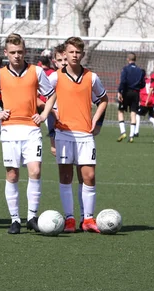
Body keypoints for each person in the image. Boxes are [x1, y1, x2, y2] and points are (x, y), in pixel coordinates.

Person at [0, 33, 56, 234]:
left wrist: (45, 114)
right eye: (12, 52)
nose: (17, 56)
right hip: (9, 130)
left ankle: (32, 217)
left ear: (25, 52)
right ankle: (15, 219)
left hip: (31, 129)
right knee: (12, 174)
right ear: (6, 53)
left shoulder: (37, 72)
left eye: (20, 52)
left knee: (35, 171)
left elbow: (51, 95)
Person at [49, 36, 108, 233]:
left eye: (77, 52)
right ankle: (70, 219)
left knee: (89, 176)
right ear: (64, 54)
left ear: (82, 54)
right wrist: (53, 111)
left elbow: (103, 99)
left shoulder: (92, 77)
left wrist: (97, 121)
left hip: (85, 135)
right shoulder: (55, 77)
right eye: (71, 52)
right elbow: (43, 100)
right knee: (65, 177)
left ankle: (88, 219)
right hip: (63, 134)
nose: (74, 55)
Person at [117, 52, 145, 143]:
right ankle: (131, 136)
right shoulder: (140, 71)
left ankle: (123, 132)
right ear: (135, 59)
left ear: (128, 59)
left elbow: (123, 81)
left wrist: (120, 92)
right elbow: (143, 84)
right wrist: (137, 88)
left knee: (120, 111)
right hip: (136, 93)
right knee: (133, 113)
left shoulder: (125, 69)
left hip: (126, 92)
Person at [136, 65, 154, 141]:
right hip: (152, 100)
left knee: (137, 115)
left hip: (145, 101)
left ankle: (136, 132)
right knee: (151, 117)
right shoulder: (149, 79)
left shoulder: (141, 81)